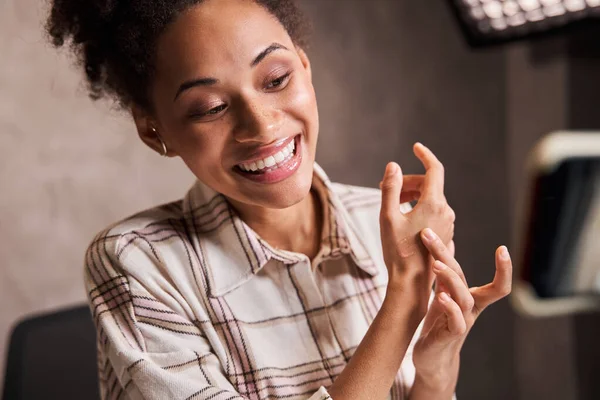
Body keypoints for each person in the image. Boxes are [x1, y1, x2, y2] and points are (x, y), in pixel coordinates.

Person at [45, 0, 512, 399]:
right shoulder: (137, 264)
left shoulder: (383, 221)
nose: (263, 127)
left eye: (275, 79)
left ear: (305, 70)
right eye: (211, 107)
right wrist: (403, 303)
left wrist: (434, 370)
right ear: (154, 130)